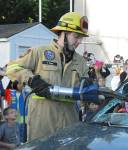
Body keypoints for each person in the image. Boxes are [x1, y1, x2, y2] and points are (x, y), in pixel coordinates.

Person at [6, 12, 89, 141]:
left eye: (81, 38)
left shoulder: (81, 62)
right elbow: (12, 68)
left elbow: (85, 90)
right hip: (42, 122)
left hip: (69, 123)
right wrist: (32, 80)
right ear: (64, 33)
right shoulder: (40, 52)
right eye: (76, 36)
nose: (79, 41)